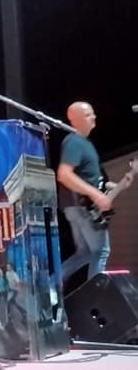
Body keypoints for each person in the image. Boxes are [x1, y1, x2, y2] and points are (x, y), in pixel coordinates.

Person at [56, 101, 133, 285]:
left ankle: (51, 285)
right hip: (82, 206)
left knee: (85, 253)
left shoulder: (84, 143)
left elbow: (92, 180)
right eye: (89, 114)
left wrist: (118, 185)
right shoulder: (74, 142)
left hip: (76, 206)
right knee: (100, 251)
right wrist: (96, 195)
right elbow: (64, 174)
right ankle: (96, 294)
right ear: (76, 119)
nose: (94, 117)